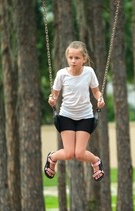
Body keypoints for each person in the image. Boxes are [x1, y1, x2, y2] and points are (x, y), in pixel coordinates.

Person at [44, 41, 105, 181]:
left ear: (84, 59)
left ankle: (96, 161)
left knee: (79, 153)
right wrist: (52, 100)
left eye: (77, 58)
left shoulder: (89, 72)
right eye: (70, 57)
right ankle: (52, 158)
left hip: (85, 116)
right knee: (69, 153)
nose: (73, 61)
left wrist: (100, 99)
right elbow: (54, 94)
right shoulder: (61, 74)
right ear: (67, 58)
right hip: (66, 116)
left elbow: (96, 92)